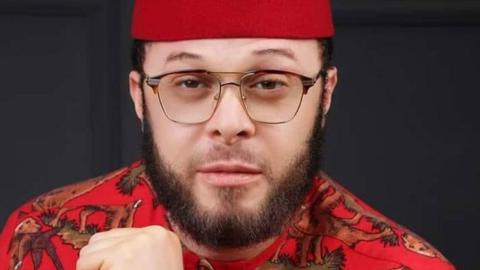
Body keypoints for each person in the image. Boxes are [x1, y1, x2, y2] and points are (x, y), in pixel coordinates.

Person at [0, 0, 455, 269]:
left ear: (325, 96)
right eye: (191, 83)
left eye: (270, 83)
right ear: (140, 98)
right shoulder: (44, 239)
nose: (230, 121)